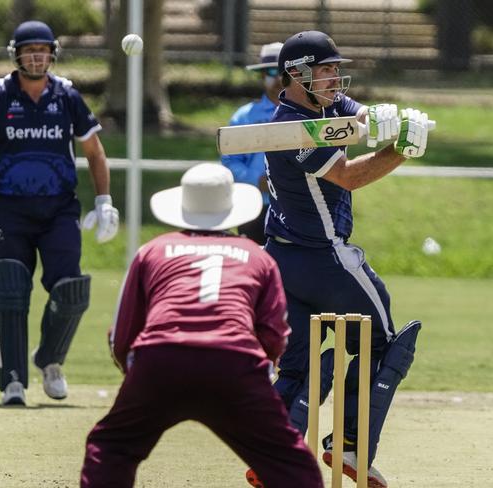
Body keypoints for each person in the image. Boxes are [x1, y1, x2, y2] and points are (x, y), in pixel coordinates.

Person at [80, 163, 323, 488]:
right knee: (291, 465)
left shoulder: (152, 250)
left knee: (111, 447)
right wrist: (258, 372)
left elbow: (123, 332)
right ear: (232, 210)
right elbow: (274, 333)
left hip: (161, 360)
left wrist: (136, 375)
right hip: (235, 363)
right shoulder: (256, 255)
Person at [262, 30, 430, 487]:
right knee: (383, 344)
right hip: (324, 256)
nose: (335, 78)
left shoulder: (327, 105)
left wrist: (387, 119)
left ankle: (272, 457)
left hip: (280, 260)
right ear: (296, 75)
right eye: (325, 70)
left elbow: (356, 115)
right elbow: (347, 177)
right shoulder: (290, 128)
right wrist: (401, 149)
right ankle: (350, 448)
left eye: (337, 69)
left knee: (297, 364)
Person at [0, 20, 119, 406]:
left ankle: (50, 360)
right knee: (10, 287)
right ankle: (13, 379)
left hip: (57, 210)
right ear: (16, 54)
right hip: (9, 209)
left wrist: (104, 201)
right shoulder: (0, 95)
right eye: (29, 49)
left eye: (43, 49)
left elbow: (94, 151)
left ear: (53, 53)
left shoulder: (66, 95)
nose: (37, 56)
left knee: (70, 290)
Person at [221, 42, 283, 244]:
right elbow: (230, 163)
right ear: (262, 75)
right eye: (273, 71)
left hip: (294, 206)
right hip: (253, 204)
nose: (280, 78)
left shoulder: (306, 117)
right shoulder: (244, 117)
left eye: (286, 71)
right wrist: (257, 181)